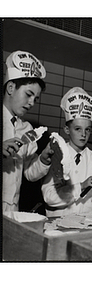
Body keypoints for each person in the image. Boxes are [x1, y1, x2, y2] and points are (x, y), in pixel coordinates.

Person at [41, 87, 92, 217]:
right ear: (67, 130)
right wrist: (80, 186)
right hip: (57, 224)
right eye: (77, 129)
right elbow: (49, 196)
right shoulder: (56, 155)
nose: (83, 135)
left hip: (85, 224)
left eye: (87, 130)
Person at [2, 50, 53, 212]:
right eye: (28, 94)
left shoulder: (27, 129)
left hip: (12, 210)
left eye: (35, 99)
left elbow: (30, 173)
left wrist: (44, 159)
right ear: (11, 88)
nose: (32, 103)